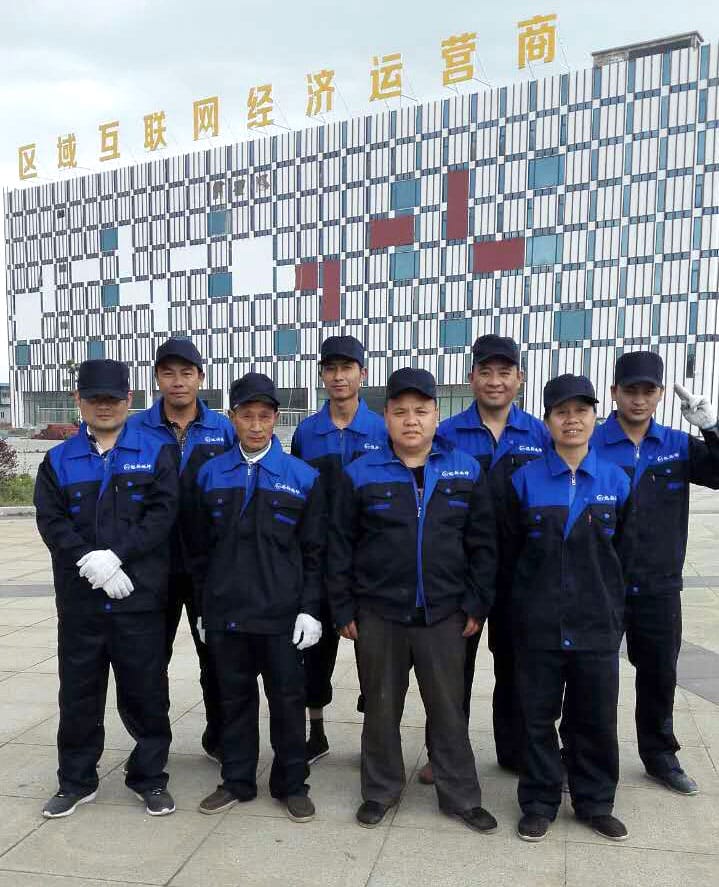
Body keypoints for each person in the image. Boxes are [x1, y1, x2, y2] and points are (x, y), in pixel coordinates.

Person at [328, 367, 498, 833]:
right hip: (379, 613)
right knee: (381, 707)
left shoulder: (465, 469)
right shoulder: (360, 473)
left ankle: (460, 796)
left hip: (444, 614)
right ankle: (380, 791)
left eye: (420, 411)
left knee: (448, 709)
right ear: (385, 416)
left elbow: (483, 544)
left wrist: (476, 603)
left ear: (435, 415)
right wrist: (342, 607)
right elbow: (339, 545)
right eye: (400, 411)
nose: (411, 420)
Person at [34, 359, 179, 818]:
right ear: (78, 400)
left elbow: (162, 514)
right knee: (79, 694)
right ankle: (76, 781)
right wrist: (90, 562)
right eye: (94, 399)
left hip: (138, 598)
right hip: (81, 603)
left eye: (113, 399)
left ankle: (149, 777)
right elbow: (52, 522)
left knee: (146, 693)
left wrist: (116, 556)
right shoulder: (58, 460)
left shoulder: (156, 451)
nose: (104, 406)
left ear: (129, 400)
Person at [187, 373, 325, 823]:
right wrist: (203, 608)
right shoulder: (209, 475)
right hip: (226, 614)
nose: (256, 425)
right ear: (232, 418)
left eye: (265, 416)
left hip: (281, 616)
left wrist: (310, 610)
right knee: (234, 700)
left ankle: (292, 784)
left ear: (276, 419)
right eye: (247, 415)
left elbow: (314, 552)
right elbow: (198, 550)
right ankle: (236, 780)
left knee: (287, 702)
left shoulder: (302, 477)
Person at [503, 374, 631, 842]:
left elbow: (627, 556)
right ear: (548, 421)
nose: (572, 419)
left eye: (581, 411)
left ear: (596, 417)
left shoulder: (617, 480)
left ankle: (595, 802)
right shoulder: (523, 481)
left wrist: (617, 614)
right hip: (538, 624)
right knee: (536, 718)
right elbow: (508, 554)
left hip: (596, 623)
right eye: (562, 412)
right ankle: (539, 802)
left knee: (595, 718)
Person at [588, 351, 719, 794]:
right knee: (592, 677)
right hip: (601, 584)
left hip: (659, 585)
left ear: (661, 394)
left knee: (659, 673)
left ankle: (660, 755)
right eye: (631, 390)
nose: (639, 399)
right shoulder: (592, 442)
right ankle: (582, 754)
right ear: (614, 393)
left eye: (648, 391)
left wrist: (712, 429)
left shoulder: (678, 445)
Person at [426, 334, 550, 782]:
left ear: (520, 378)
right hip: (461, 572)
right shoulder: (446, 433)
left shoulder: (539, 433)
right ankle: (444, 754)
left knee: (516, 667)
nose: (495, 381)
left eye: (504, 372)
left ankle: (514, 751)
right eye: (486, 372)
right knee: (452, 670)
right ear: (471, 377)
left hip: (521, 573)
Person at [127, 337, 235, 762]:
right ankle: (152, 744)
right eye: (168, 373)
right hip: (151, 569)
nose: (177, 381)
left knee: (218, 657)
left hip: (209, 569)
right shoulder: (135, 429)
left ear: (200, 377)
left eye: (186, 373)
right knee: (150, 661)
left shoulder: (223, 430)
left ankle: (220, 738)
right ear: (157, 378)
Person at [291, 335, 386, 765]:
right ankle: (316, 732)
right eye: (330, 368)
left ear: (362, 373)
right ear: (322, 375)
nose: (338, 376)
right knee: (314, 652)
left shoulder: (382, 429)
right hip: (320, 559)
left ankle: (374, 737)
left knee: (374, 656)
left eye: (347, 368)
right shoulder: (307, 433)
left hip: (370, 561)